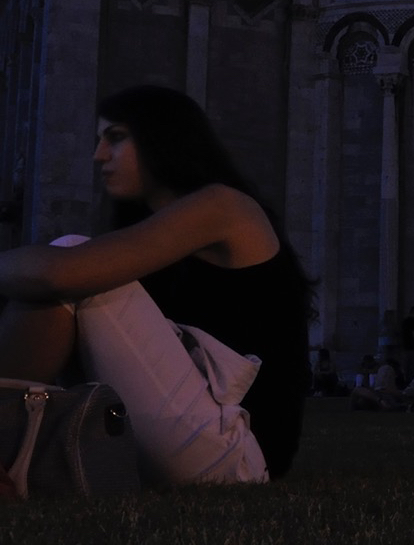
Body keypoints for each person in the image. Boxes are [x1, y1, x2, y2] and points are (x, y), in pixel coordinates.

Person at [0, 86, 312, 484]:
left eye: (115, 138)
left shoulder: (223, 207)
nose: (99, 156)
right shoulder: (149, 236)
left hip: (236, 452)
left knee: (72, 259)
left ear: (163, 138)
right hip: (179, 437)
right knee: (61, 277)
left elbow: (57, 273)